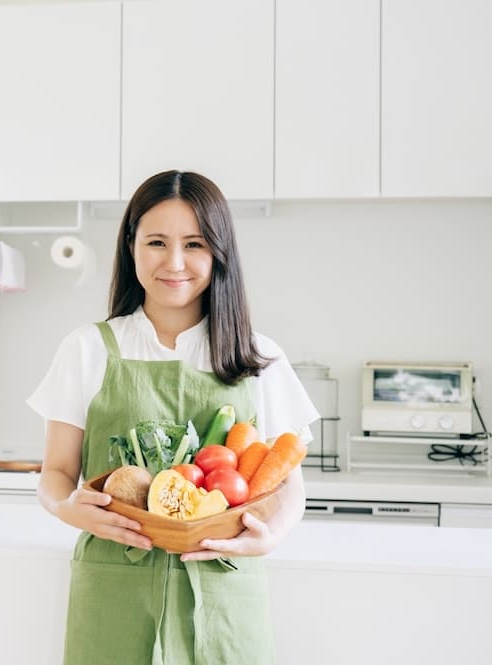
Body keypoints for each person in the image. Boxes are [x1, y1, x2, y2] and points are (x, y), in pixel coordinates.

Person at [27, 170, 319, 665]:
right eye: (157, 242)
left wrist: (274, 534)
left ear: (219, 252)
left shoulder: (257, 356)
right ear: (131, 246)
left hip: (224, 588)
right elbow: (55, 473)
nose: (175, 262)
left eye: (195, 244)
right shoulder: (87, 349)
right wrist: (64, 508)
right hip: (114, 585)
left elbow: (289, 484)